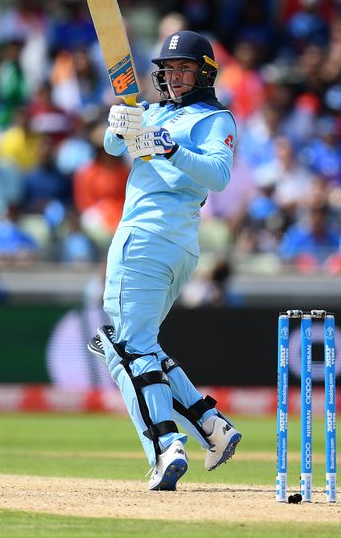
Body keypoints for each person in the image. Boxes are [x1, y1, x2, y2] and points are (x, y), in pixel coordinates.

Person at [86, 31, 241, 491]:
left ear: (205, 74)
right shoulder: (153, 111)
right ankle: (209, 424)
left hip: (149, 238)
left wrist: (169, 146)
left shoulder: (214, 118)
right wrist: (119, 123)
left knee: (125, 348)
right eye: (168, 70)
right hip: (171, 246)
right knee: (132, 345)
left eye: (184, 69)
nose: (173, 78)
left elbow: (219, 175)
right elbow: (115, 148)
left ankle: (166, 445)